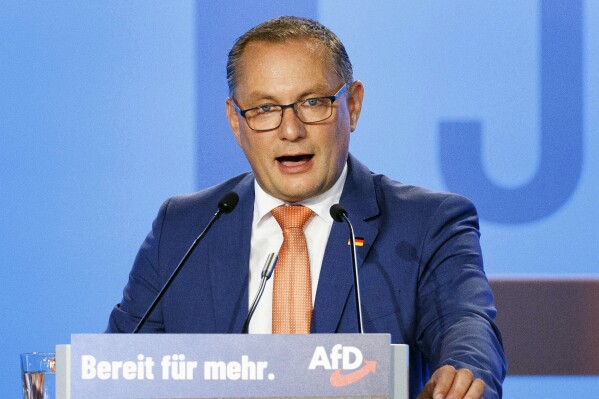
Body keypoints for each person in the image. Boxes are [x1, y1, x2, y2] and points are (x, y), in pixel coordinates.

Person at [107, 16, 507, 399]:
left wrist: (463, 374)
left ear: (352, 105)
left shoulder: (425, 224)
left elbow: (466, 325)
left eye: (313, 103)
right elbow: (117, 371)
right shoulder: (183, 229)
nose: (290, 130)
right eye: (265, 109)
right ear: (235, 122)